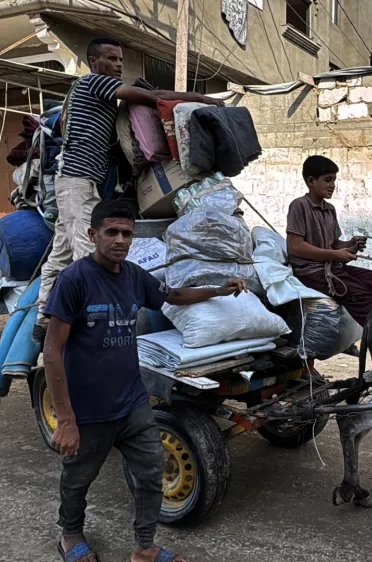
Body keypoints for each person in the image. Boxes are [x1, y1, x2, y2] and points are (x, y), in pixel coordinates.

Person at [43, 200, 246, 562]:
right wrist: (67, 420)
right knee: (78, 478)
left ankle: (144, 547)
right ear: (93, 235)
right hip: (89, 409)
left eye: (127, 233)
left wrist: (219, 289)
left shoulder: (134, 276)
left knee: (151, 472)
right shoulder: (74, 280)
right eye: (112, 232)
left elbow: (172, 297)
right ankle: (70, 534)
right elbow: (53, 350)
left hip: (132, 401)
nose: (120, 240)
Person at [34, 36, 225, 344]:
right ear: (95, 62)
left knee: (62, 252)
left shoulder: (106, 97)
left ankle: (44, 319)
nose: (119, 65)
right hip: (76, 179)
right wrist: (201, 99)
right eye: (112, 59)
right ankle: (89, 326)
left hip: (81, 181)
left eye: (121, 60)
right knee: (88, 249)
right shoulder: (94, 83)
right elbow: (156, 96)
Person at [286, 155, 372, 328]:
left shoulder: (329, 209)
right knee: (364, 297)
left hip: (333, 268)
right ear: (311, 181)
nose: (332, 185)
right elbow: (295, 247)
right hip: (311, 272)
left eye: (334, 180)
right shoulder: (299, 205)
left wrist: (349, 244)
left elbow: (334, 244)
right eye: (327, 180)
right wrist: (335, 255)